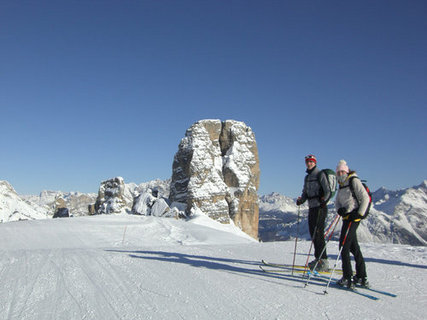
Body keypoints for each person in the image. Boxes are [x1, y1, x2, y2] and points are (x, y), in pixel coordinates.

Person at [335, 160, 370, 289]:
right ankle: (361, 276)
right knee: (353, 247)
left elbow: (365, 198)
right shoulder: (341, 183)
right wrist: (340, 209)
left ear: (347, 171)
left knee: (343, 246)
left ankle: (347, 277)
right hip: (346, 217)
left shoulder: (354, 180)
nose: (340, 173)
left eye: (342, 171)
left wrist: (359, 214)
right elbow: (337, 201)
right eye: (338, 172)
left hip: (354, 218)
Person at [296, 154, 330, 271]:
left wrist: (324, 201)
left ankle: (323, 261)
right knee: (313, 233)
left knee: (318, 233)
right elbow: (305, 192)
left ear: (315, 163)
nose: (309, 163)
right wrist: (301, 200)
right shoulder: (307, 177)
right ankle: (318, 259)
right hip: (312, 207)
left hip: (320, 207)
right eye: (307, 162)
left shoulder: (320, 174)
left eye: (311, 162)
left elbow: (328, 191)